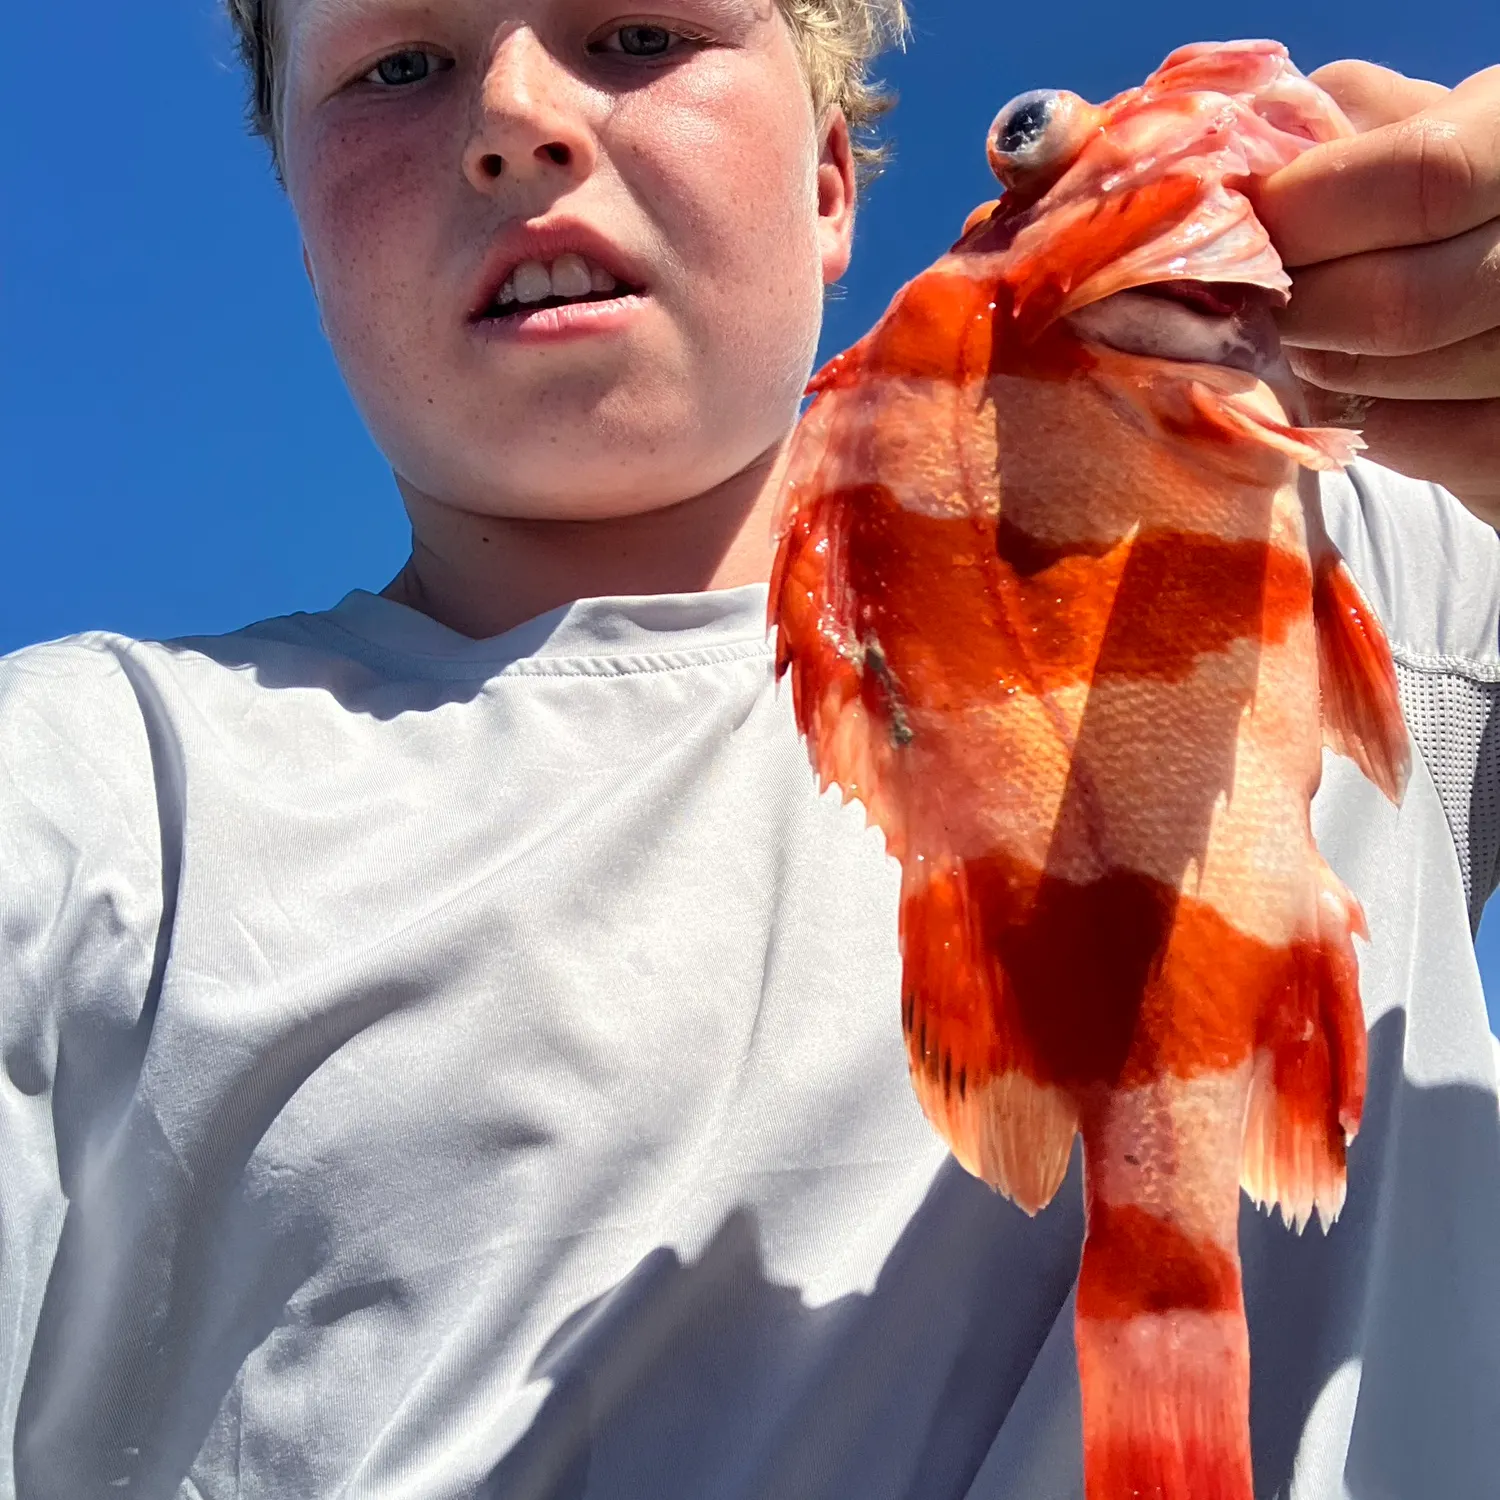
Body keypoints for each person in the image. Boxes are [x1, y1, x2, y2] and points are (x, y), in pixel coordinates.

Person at [1, 1, 1497, 1495]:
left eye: (638, 34)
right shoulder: (88, 793)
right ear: (307, 237)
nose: (517, 116)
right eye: (399, 65)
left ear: (830, 187)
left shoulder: (1376, 547)